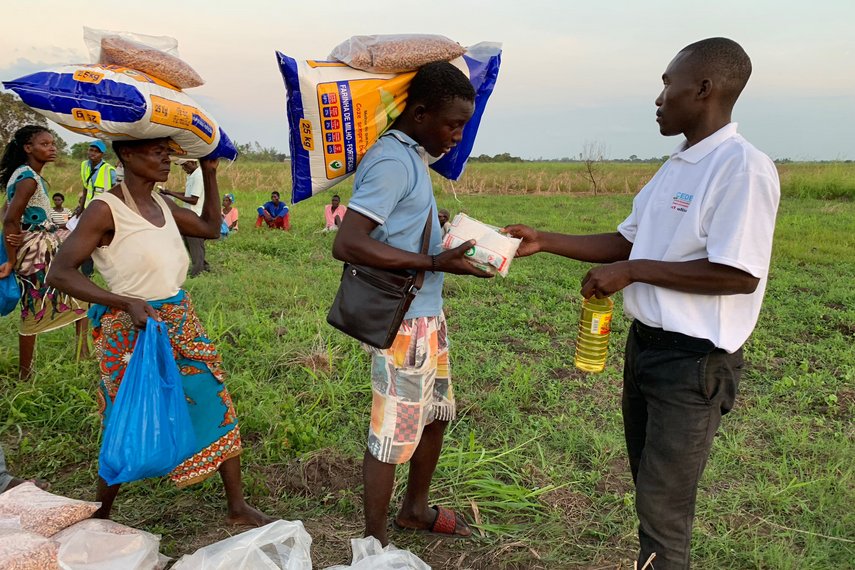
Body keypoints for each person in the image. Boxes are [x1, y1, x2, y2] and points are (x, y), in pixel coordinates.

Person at [505, 38, 780, 569]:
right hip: (646, 350)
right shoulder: (677, 166)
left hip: (693, 362)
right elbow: (631, 240)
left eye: (666, 83)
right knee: (648, 490)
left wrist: (630, 272)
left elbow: (738, 274)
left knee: (663, 514)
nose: (658, 97)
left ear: (702, 89)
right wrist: (544, 239)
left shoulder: (740, 168)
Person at [46, 137, 273, 526]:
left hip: (178, 317)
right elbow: (60, 273)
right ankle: (103, 512)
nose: (166, 158)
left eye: (168, 152)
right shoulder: (106, 210)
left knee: (214, 397)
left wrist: (210, 172)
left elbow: (208, 228)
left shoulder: (164, 205)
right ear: (128, 155)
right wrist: (124, 302)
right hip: (129, 326)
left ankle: (237, 506)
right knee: (127, 413)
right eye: (157, 152)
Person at [332, 62, 493, 546]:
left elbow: (393, 225)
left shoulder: (413, 157)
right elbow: (348, 242)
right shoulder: (391, 161)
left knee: (435, 415)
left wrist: (440, 230)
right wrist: (432, 259)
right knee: (392, 435)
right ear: (420, 112)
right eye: (453, 123)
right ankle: (374, 544)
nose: (458, 135)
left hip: (427, 315)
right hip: (404, 323)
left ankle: (415, 510)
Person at [0, 125, 89, 379]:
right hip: (38, 251)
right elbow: (9, 219)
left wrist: (18, 232)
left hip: (39, 245)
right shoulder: (28, 179)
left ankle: (82, 353)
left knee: (76, 294)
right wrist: (11, 257)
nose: (52, 148)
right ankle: (25, 375)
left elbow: (5, 212)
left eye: (52, 143)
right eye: (45, 144)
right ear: (28, 148)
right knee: (35, 304)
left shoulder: (24, 175)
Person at [159, 158, 209, 276]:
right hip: (189, 215)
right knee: (190, 244)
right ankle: (204, 266)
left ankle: (197, 272)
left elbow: (193, 200)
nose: (184, 169)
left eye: (185, 166)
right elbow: (187, 195)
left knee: (195, 244)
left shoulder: (198, 177)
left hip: (195, 216)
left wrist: (171, 194)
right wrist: (169, 192)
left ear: (192, 163)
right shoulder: (192, 176)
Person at [76, 140, 117, 278]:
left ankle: (111, 273)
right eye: (91, 150)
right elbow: (85, 187)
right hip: (88, 210)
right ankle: (87, 273)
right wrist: (80, 208)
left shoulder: (109, 170)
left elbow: (115, 192)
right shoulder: (84, 166)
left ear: (102, 154)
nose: (92, 153)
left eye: (96, 151)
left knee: (104, 243)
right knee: (86, 241)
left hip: (104, 211)